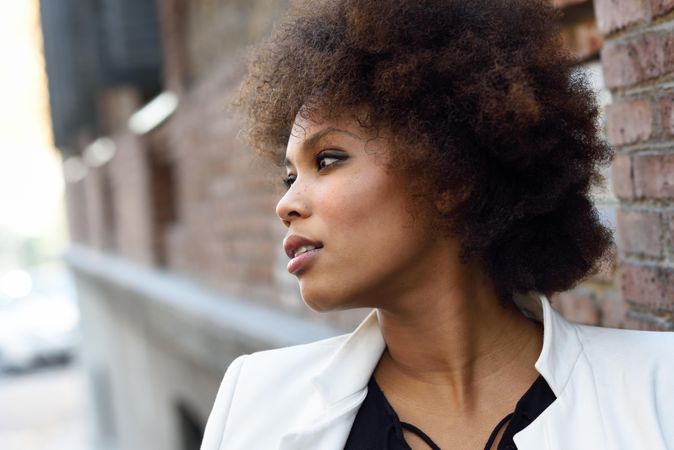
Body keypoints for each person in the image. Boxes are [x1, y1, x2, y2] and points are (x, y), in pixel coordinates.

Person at [200, 0, 674, 449]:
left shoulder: (655, 389)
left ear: (450, 174)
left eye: (327, 159)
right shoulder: (254, 405)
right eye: (289, 176)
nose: (286, 204)